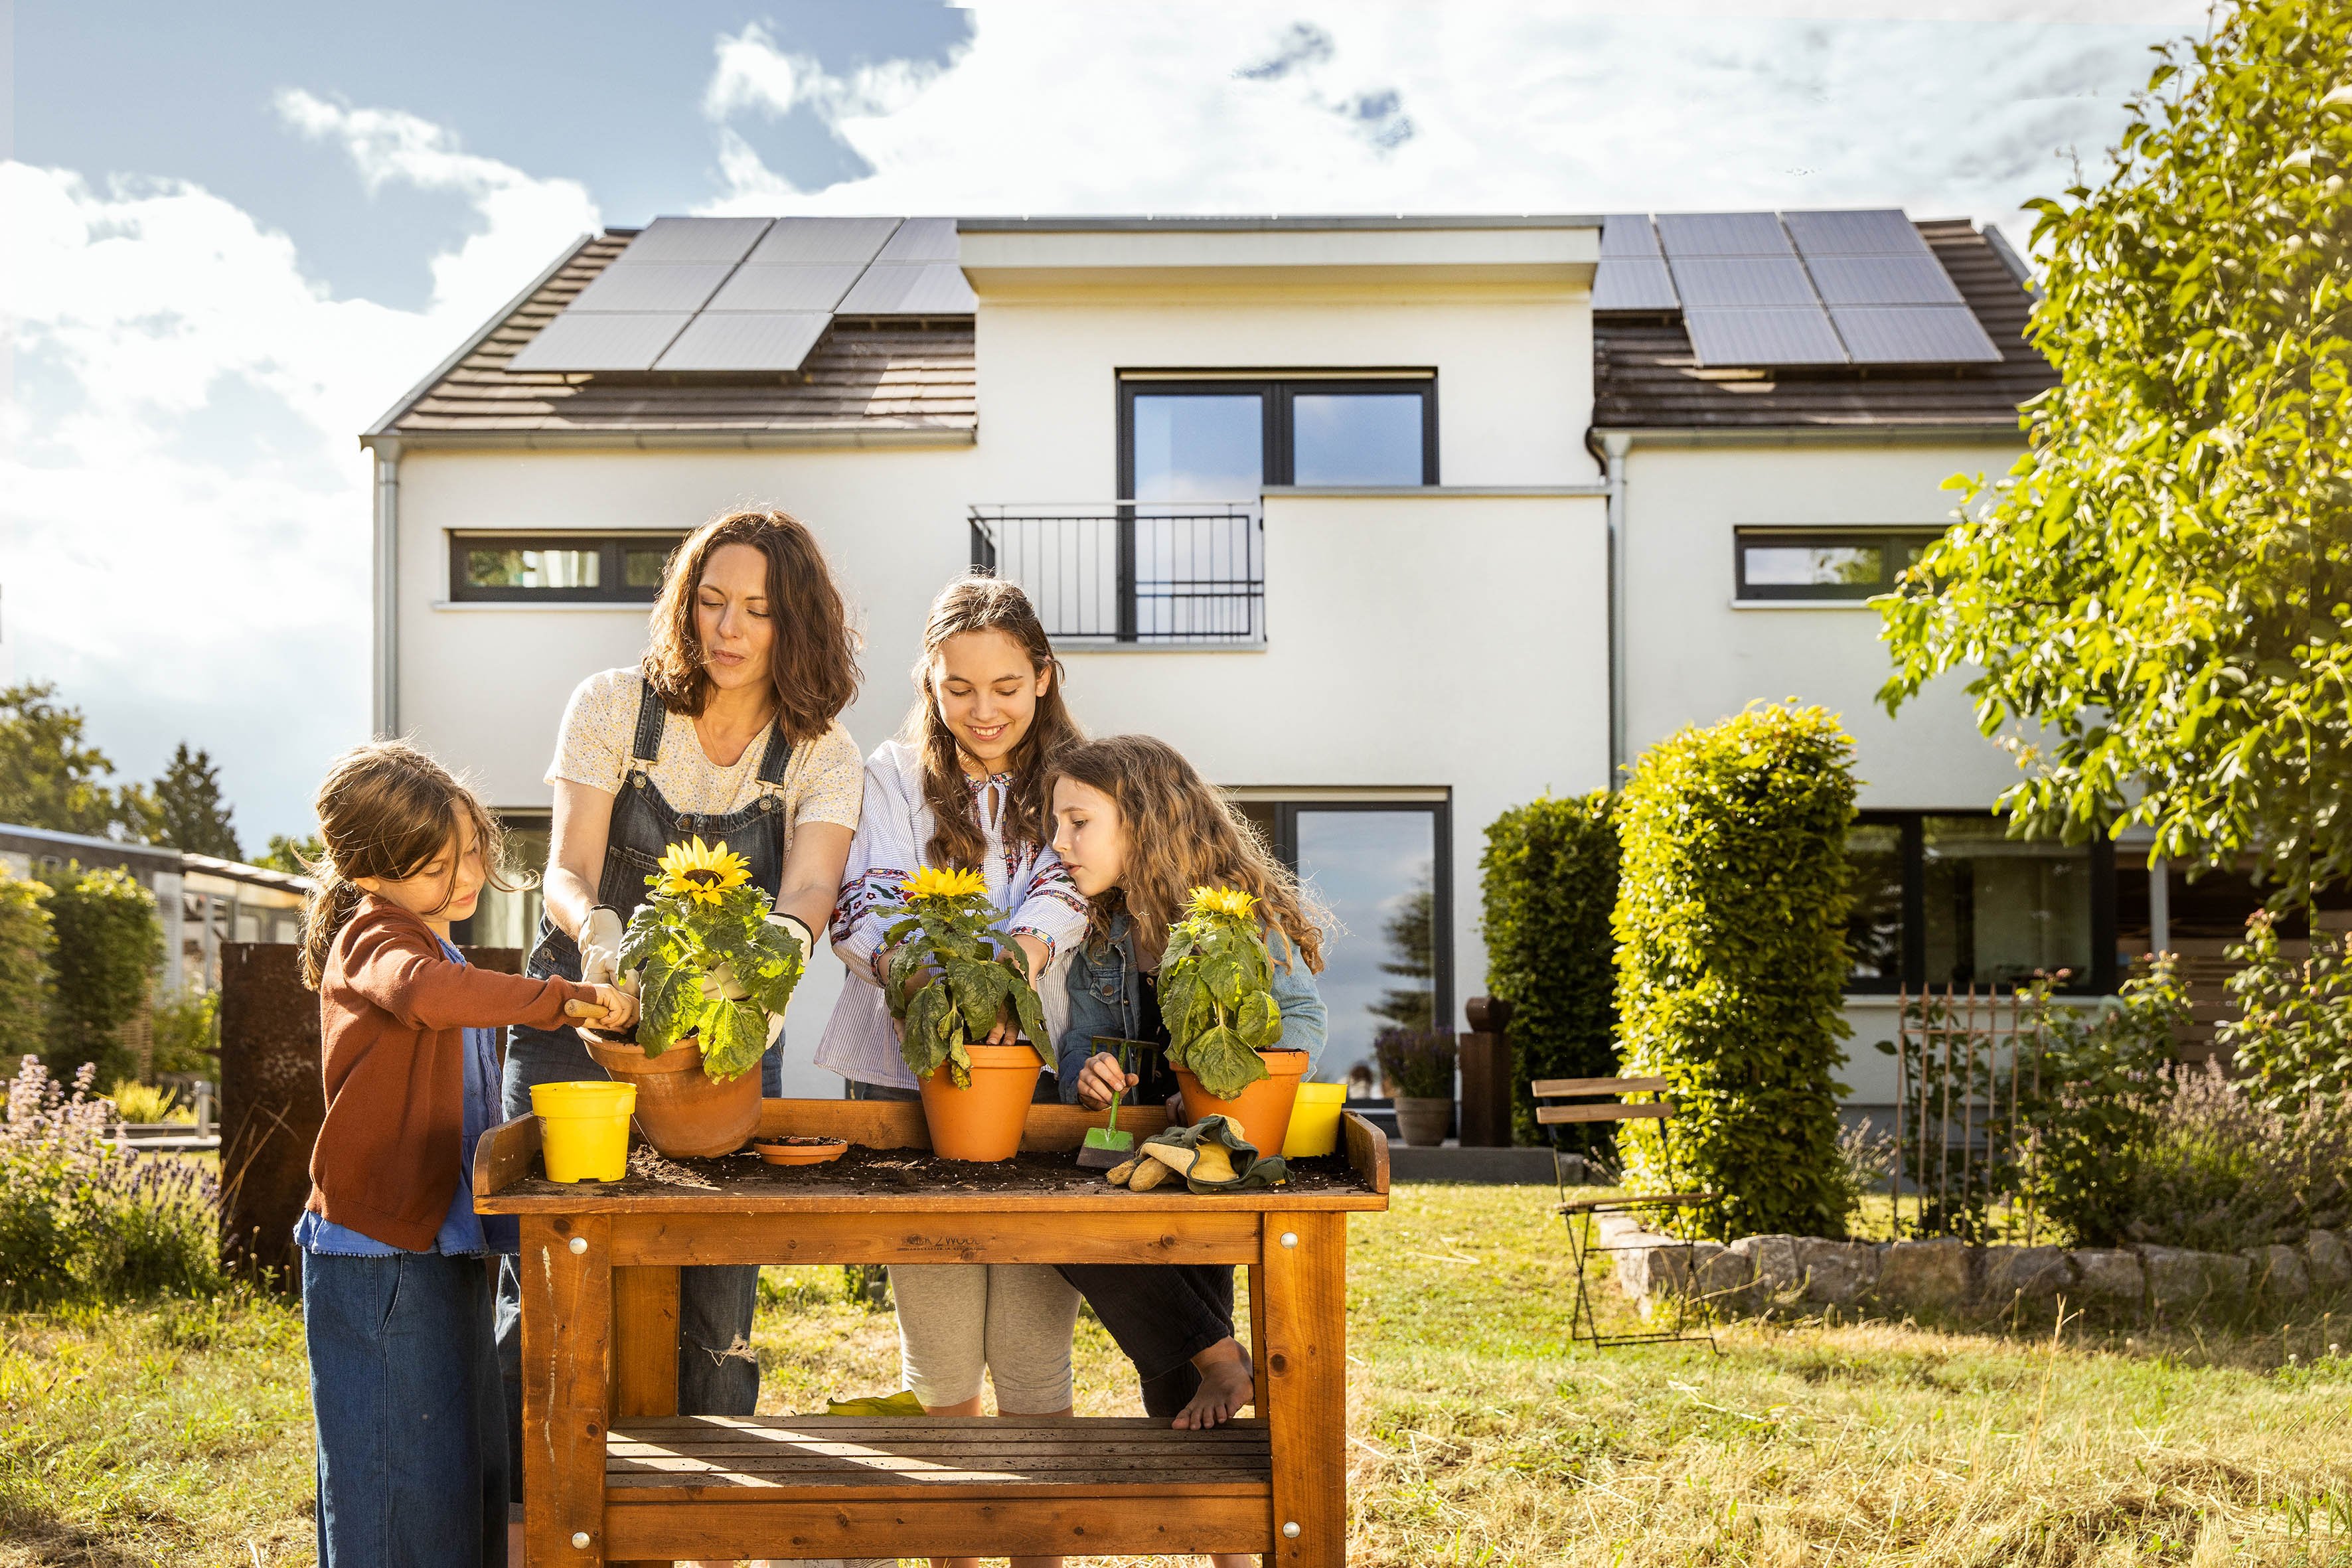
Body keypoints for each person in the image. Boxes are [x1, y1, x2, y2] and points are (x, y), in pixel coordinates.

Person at [495, 508, 866, 1542]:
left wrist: (762, 972)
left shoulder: (821, 751)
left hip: (724, 1035)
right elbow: (568, 866)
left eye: (757, 609)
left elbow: (808, 891)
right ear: (684, 604)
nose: (729, 628)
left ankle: (700, 1530)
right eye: (711, 601)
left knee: (712, 1283)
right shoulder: (612, 704)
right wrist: (598, 935)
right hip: (583, 1016)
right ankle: (532, 1529)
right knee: (552, 1274)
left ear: (798, 623)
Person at [295, 740, 635, 1568]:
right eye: (435, 868)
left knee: (455, 1463)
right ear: (369, 871)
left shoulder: (434, 944)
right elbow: (425, 995)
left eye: (472, 852)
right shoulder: (375, 938)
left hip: (435, 1241)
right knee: (397, 1477)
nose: (466, 878)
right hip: (378, 1253)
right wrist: (564, 1000)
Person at [816, 575, 1090, 1568]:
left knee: (1031, 1340)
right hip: (904, 1068)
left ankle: (1035, 1548)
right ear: (928, 683)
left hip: (1035, 1070)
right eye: (959, 687)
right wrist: (938, 985)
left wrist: (1014, 963)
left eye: (1006, 686)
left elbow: (1070, 887)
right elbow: (867, 901)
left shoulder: (1077, 777)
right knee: (937, 1342)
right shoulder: (889, 775)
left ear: (1043, 677)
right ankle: (953, 1548)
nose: (984, 710)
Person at [1046, 734, 1328, 1568]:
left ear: (1141, 822)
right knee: (1168, 1325)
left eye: (1078, 822)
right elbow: (1083, 1039)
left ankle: (1218, 1374)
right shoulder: (1104, 936)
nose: (1060, 842)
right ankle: (1221, 1368)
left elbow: (1302, 1025)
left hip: (1227, 1154)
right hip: (1143, 1157)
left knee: (1167, 1333)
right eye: (1059, 823)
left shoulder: (1241, 918)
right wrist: (1087, 1071)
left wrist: (1216, 1088)